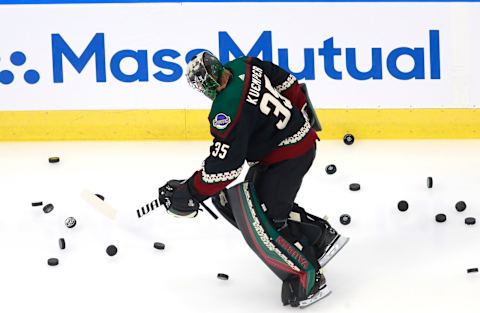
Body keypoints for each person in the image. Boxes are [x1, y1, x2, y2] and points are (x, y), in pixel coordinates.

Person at [158, 51, 349, 308]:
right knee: (232, 203)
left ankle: (308, 279)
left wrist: (191, 191)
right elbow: (286, 81)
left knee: (261, 221)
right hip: (290, 147)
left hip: (287, 157)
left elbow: (226, 168)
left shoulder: (226, 110)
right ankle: (318, 238)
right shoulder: (243, 65)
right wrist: (302, 106)